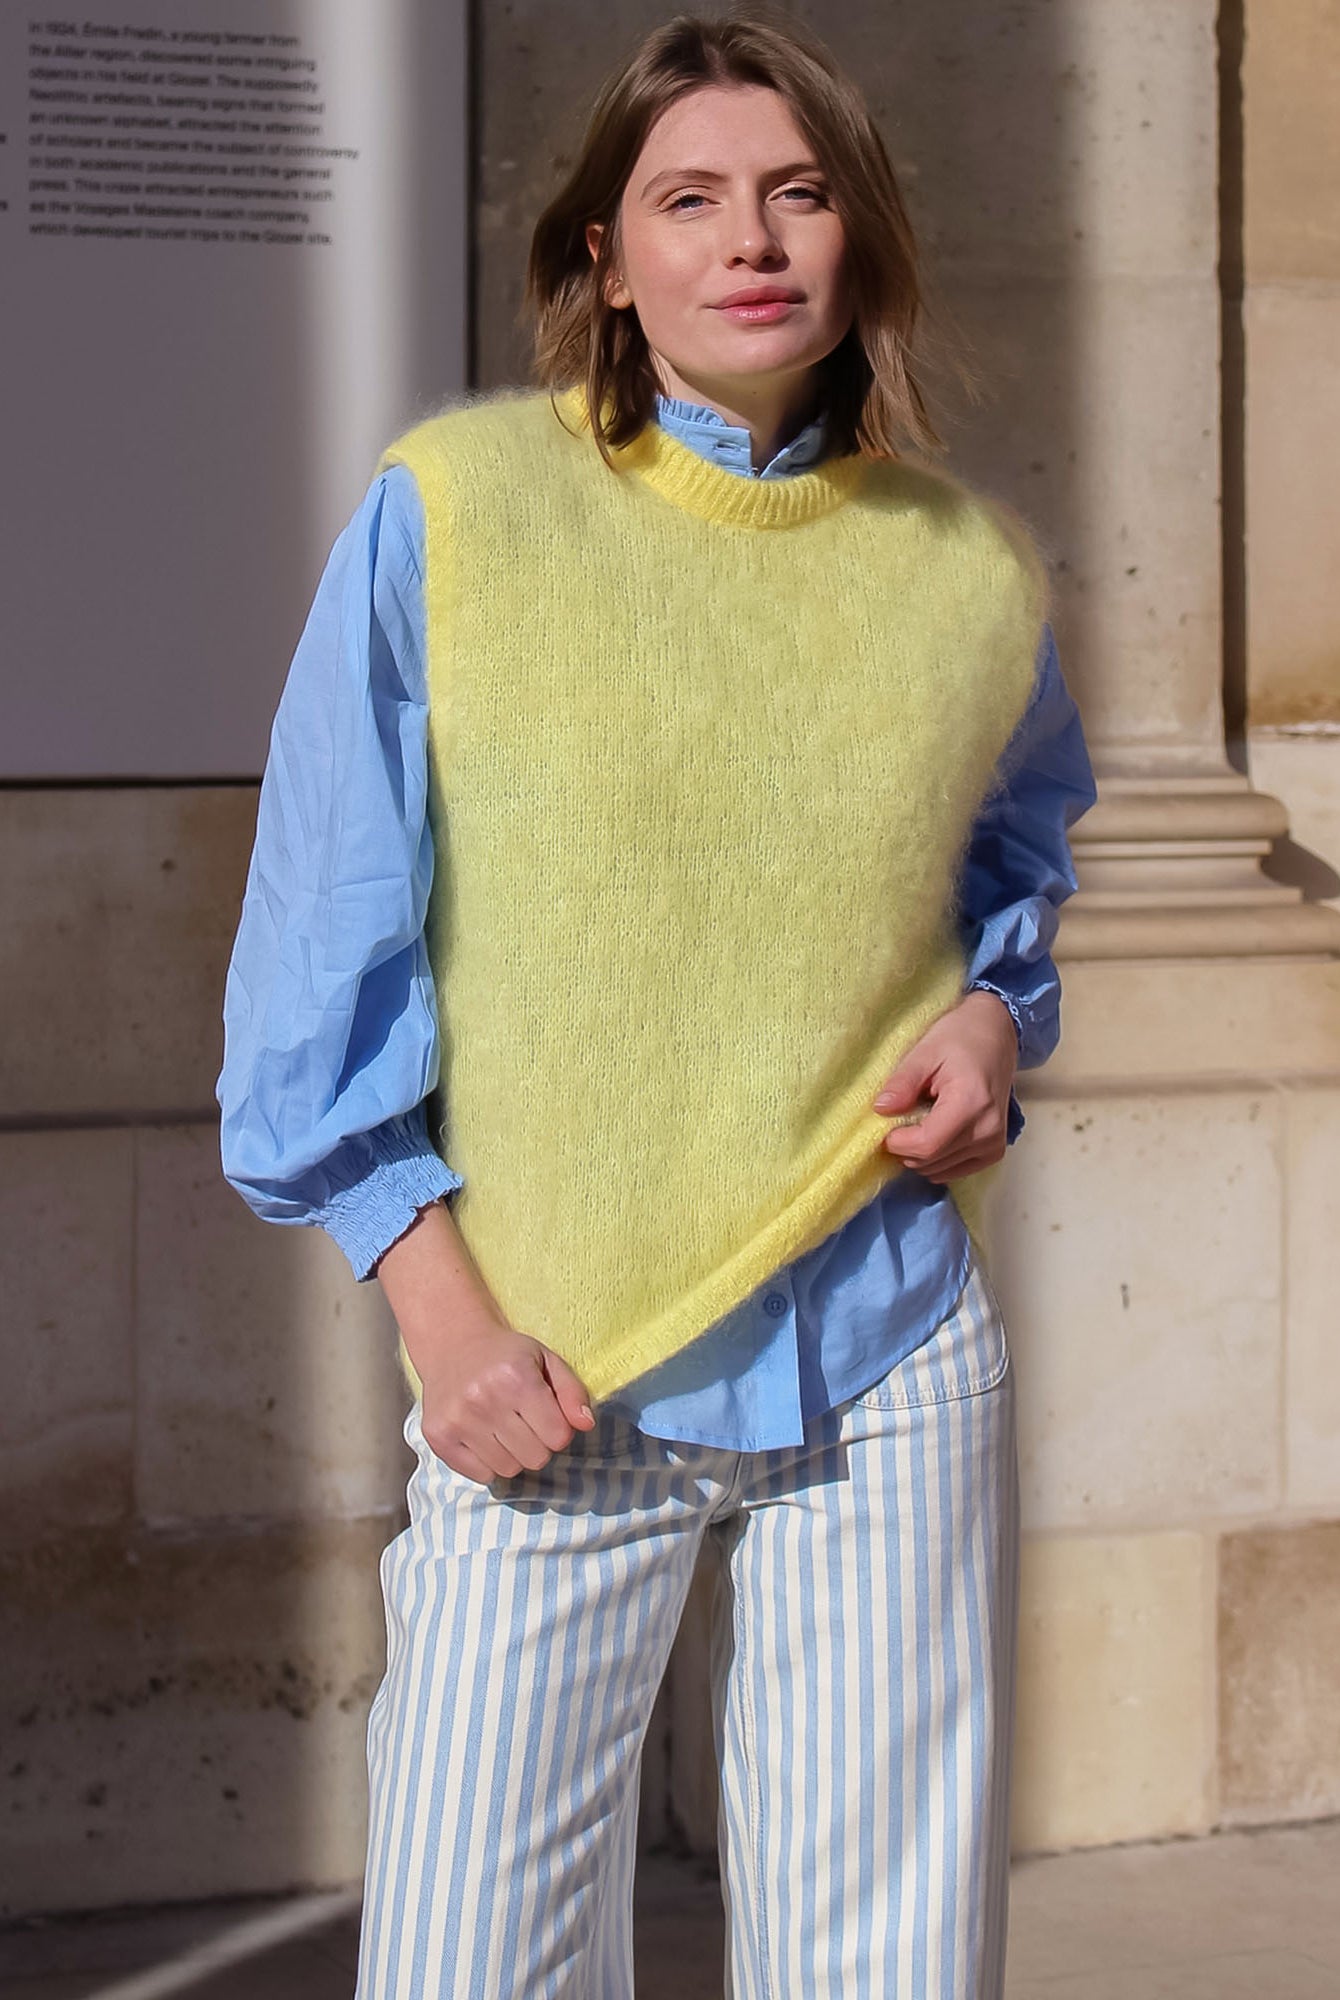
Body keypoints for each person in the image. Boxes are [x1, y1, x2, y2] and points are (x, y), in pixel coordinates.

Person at [218, 11, 1096, 1997]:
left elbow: (1013, 867)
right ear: (604, 257)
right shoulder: (457, 513)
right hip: (551, 1367)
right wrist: (440, 1317)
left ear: (860, 234)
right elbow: (314, 961)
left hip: (887, 1347)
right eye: (688, 199)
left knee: (887, 1966)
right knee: (470, 1962)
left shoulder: (966, 570)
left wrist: (993, 1024)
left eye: (798, 193)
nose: (750, 240)